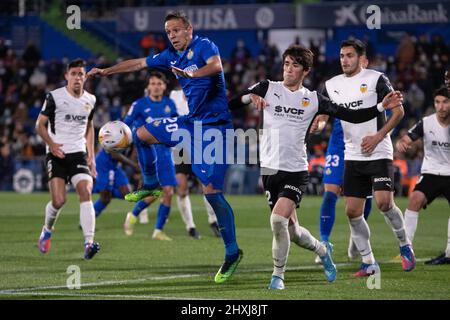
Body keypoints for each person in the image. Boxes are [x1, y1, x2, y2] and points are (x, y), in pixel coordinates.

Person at [229, 44, 403, 290]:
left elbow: (350, 115)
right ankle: (322, 250)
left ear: (305, 71)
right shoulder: (268, 88)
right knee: (293, 231)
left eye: (295, 65)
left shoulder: (312, 99)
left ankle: (278, 276)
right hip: (269, 170)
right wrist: (250, 97)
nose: (288, 69)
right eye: (286, 64)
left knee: (278, 221)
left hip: (296, 170)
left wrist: (380, 107)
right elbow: (234, 102)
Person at [88, 11, 242, 283]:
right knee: (142, 133)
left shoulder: (204, 46)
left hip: (215, 128)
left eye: (176, 31)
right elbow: (137, 64)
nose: (171, 36)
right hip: (190, 122)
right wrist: (106, 71)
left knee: (211, 192)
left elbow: (217, 66)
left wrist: (192, 73)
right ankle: (149, 184)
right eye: (168, 32)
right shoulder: (170, 56)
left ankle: (232, 252)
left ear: (189, 30)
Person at [324, 39, 414, 276]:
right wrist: (319, 121)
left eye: (350, 55)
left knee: (385, 203)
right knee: (352, 212)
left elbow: (398, 111)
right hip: (352, 155)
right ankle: (368, 262)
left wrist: (378, 136)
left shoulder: (377, 79)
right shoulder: (332, 85)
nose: (345, 60)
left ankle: (405, 245)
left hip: (379, 152)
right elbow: (322, 109)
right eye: (342, 55)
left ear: (361, 59)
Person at [36, 59, 100, 260]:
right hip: (56, 153)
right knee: (59, 200)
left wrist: (92, 156)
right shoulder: (54, 97)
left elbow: (89, 127)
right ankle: (47, 229)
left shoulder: (91, 99)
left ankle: (89, 243)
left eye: (81, 74)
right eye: (73, 73)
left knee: (86, 190)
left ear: (85, 76)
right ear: (67, 76)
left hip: (78, 152)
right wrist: (52, 145)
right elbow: (40, 125)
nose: (77, 77)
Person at [123, 71, 190, 241]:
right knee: (157, 190)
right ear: (148, 86)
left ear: (164, 87)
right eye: (153, 83)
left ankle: (156, 229)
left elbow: (177, 126)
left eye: (159, 84)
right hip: (148, 152)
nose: (156, 87)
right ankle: (135, 214)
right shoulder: (139, 105)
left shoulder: (169, 104)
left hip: (165, 153)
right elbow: (125, 126)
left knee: (167, 191)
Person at [398, 86, 450, 265]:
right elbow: (408, 137)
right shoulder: (426, 122)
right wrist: (403, 143)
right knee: (415, 200)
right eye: (437, 102)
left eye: (445, 102)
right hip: (431, 172)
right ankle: (406, 249)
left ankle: (449, 254)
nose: (441, 106)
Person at [170, 87, 221, 238]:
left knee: (207, 185)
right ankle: (190, 226)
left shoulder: (202, 95)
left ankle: (213, 220)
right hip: (180, 146)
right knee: (182, 187)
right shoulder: (174, 96)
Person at [92, 147, 157, 220]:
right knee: (105, 199)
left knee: (127, 194)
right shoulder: (118, 136)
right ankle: (87, 222)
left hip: (115, 165)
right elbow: (114, 154)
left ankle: (108, 192)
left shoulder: (134, 138)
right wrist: (134, 165)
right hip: (104, 165)